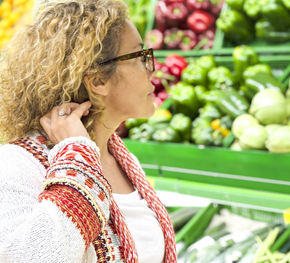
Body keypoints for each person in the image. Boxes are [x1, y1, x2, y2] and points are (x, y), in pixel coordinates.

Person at [0, 0, 176, 262]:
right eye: (139, 56)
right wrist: (77, 157)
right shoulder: (16, 164)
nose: (152, 67)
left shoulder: (122, 160)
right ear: (98, 81)